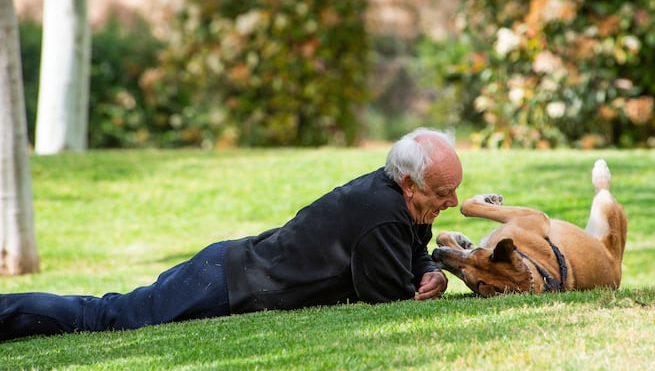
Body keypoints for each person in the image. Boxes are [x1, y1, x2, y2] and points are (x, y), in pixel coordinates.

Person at [0, 128, 463, 341]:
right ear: (409, 183)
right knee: (106, 317)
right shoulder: (381, 212)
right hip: (220, 283)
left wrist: (428, 270)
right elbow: (387, 299)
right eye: (444, 192)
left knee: (107, 311)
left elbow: (412, 247)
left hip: (227, 268)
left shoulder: (397, 198)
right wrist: (424, 285)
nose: (453, 203)